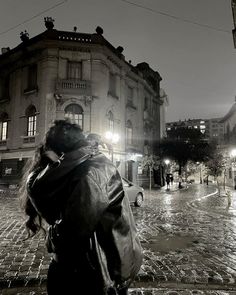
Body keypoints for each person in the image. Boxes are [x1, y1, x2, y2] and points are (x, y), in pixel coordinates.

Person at [20, 120, 143, 295]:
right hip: (100, 267)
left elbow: (72, 232)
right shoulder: (87, 166)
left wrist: (51, 239)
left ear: (59, 154)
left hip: (96, 273)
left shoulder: (90, 172)